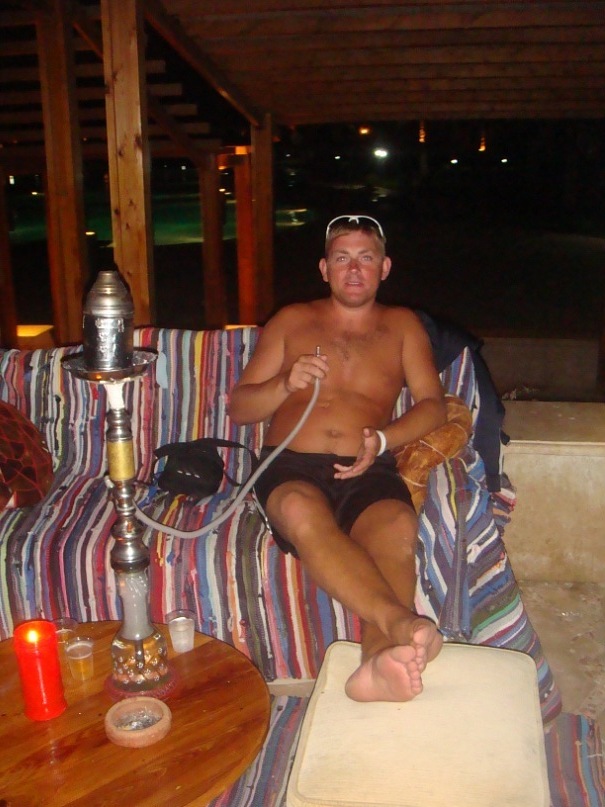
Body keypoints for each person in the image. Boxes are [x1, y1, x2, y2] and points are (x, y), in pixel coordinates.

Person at [229, 214, 446, 702]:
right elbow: (240, 408)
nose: (353, 269)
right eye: (342, 258)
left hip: (369, 463)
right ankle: (400, 624)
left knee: (396, 525)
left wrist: (384, 441)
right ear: (324, 268)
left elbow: (433, 406)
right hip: (291, 463)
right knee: (300, 510)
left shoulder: (402, 326)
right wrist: (284, 383)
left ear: (384, 268)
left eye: (365, 258)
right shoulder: (292, 320)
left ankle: (377, 664)